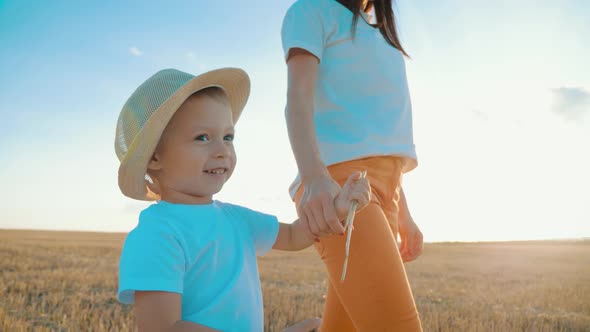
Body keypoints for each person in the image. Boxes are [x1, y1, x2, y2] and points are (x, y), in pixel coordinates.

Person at [113, 67, 371, 331]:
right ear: (154, 157)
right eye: (202, 137)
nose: (223, 150)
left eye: (228, 137)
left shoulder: (235, 219)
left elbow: (294, 236)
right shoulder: (156, 235)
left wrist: (338, 208)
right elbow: (163, 328)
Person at [281, 0, 424, 330]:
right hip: (339, 185)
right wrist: (315, 179)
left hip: (389, 189)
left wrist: (404, 211)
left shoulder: (380, 35)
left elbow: (382, 136)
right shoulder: (311, 11)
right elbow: (297, 100)